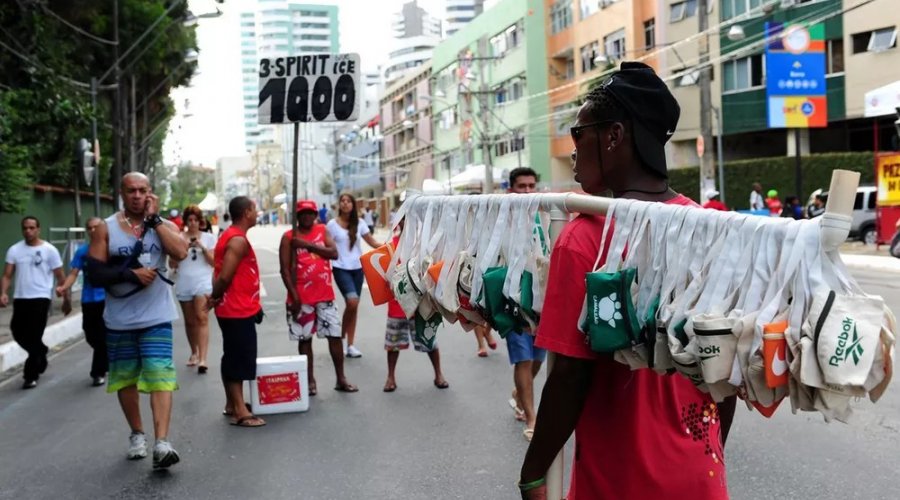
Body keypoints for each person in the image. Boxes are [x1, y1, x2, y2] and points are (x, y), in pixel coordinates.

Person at [519, 62, 733, 500]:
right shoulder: (710, 227)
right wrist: (708, 452)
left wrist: (533, 473)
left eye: (579, 134)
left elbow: (569, 377)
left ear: (614, 136)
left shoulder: (584, 238)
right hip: (700, 473)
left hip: (619, 480)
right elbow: (725, 371)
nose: (573, 149)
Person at [87, 172, 187, 469]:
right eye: (131, 191)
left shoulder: (162, 226)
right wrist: (130, 274)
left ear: (150, 193)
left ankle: (162, 443)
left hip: (157, 315)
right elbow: (94, 273)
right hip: (119, 319)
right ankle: (137, 434)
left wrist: (155, 221)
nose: (137, 196)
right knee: (126, 379)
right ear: (122, 193)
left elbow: (180, 251)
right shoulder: (106, 229)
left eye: (143, 191)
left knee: (160, 374)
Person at [280, 200, 357, 395]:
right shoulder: (288, 237)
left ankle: (341, 378)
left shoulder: (322, 231)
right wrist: (294, 296)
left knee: (334, 337)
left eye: (310, 213)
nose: (307, 216)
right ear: (297, 216)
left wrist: (306, 245)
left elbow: (333, 253)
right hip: (300, 298)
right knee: (305, 340)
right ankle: (309, 381)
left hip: (325, 296)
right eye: (303, 213)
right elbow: (285, 270)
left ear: (315, 215)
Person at [209, 196, 266, 427]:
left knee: (232, 355)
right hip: (235, 309)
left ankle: (233, 403)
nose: (257, 213)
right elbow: (225, 277)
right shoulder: (237, 240)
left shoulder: (233, 236)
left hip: (238, 307)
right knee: (238, 358)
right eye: (254, 209)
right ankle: (241, 412)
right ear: (246, 212)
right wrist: (214, 297)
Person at [504, 167, 548, 442]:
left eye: (532, 185)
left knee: (538, 359)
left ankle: (520, 393)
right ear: (512, 190)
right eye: (522, 186)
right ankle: (532, 417)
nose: (528, 191)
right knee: (524, 358)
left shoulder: (547, 214)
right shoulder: (502, 216)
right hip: (514, 296)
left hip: (543, 296)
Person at [1, 216, 70, 389]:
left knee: (34, 335)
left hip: (41, 298)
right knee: (17, 332)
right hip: (21, 298)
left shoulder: (49, 250)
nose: (28, 231)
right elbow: (7, 274)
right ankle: (41, 351)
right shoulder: (15, 250)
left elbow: (60, 276)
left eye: (32, 228)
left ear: (38, 229)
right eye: (25, 228)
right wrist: (3, 292)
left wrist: (66, 299)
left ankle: (30, 375)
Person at [382, 223, 448, 392]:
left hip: (420, 303)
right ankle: (390, 376)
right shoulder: (390, 246)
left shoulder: (424, 244)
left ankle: (439, 374)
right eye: (405, 219)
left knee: (430, 340)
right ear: (400, 223)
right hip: (397, 305)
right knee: (393, 343)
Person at [326, 193, 382, 358]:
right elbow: (326, 246)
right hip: (340, 268)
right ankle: (340, 338)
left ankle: (350, 345)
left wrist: (390, 247)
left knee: (354, 306)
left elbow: (372, 242)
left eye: (348, 201)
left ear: (353, 205)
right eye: (342, 201)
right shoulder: (331, 225)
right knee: (352, 301)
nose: (345, 203)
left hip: (358, 269)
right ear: (339, 205)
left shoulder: (360, 223)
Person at [56, 217, 107, 386]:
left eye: (96, 227)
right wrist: (64, 287)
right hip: (88, 299)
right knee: (90, 334)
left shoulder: (110, 250)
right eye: (90, 228)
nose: (93, 231)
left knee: (100, 336)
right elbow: (73, 273)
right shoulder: (83, 251)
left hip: (107, 299)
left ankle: (97, 372)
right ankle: (106, 358)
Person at [170, 205, 216, 373]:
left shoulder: (209, 238)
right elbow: (172, 264)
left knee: (201, 318)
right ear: (186, 221)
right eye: (190, 220)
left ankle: (203, 359)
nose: (193, 223)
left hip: (203, 282)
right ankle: (194, 353)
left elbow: (214, 262)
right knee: (190, 322)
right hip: (184, 282)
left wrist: (202, 247)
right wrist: (184, 249)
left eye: (196, 220)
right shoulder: (179, 238)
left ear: (200, 221)